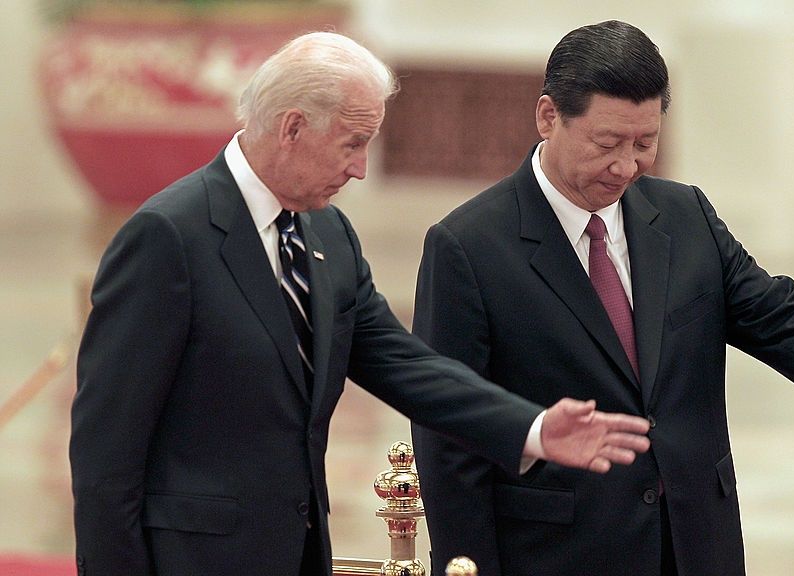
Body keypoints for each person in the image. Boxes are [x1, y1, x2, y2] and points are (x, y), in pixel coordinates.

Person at [68, 31, 653, 576]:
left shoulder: (329, 236)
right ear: (292, 128)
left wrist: (532, 427)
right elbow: (105, 454)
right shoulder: (168, 237)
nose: (359, 168)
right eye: (352, 144)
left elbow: (405, 365)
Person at [410, 20, 794, 576]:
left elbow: (782, 317)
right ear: (548, 116)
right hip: (557, 550)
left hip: (694, 542)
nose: (626, 166)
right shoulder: (468, 246)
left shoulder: (685, 217)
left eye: (645, 142)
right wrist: (466, 567)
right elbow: (449, 436)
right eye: (607, 143)